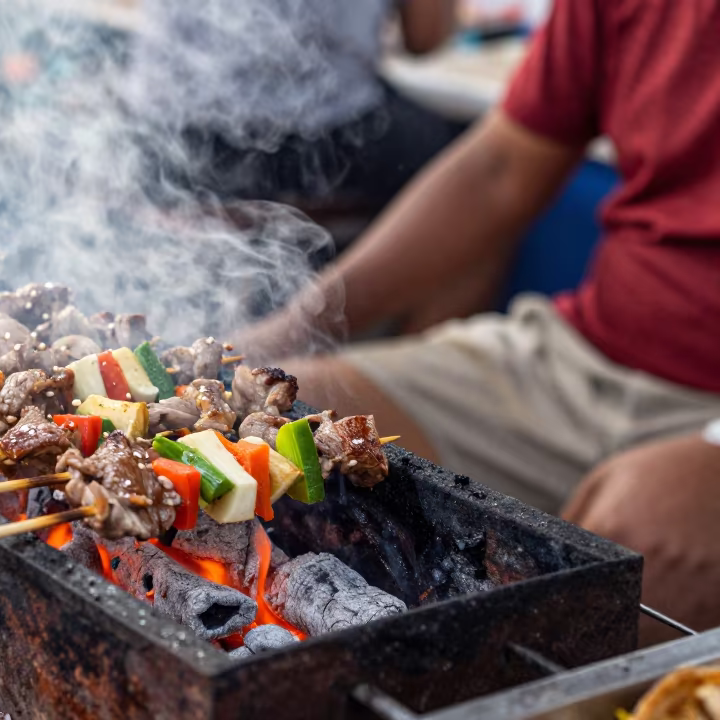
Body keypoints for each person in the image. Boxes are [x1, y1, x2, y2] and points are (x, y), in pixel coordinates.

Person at [238, 0, 720, 645]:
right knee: (281, 421)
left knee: (608, 599)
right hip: (570, 357)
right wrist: (290, 330)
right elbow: (499, 170)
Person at [126, 0, 461, 209]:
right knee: (467, 170)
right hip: (303, 146)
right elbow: (425, 37)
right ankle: (422, 318)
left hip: (159, 136)